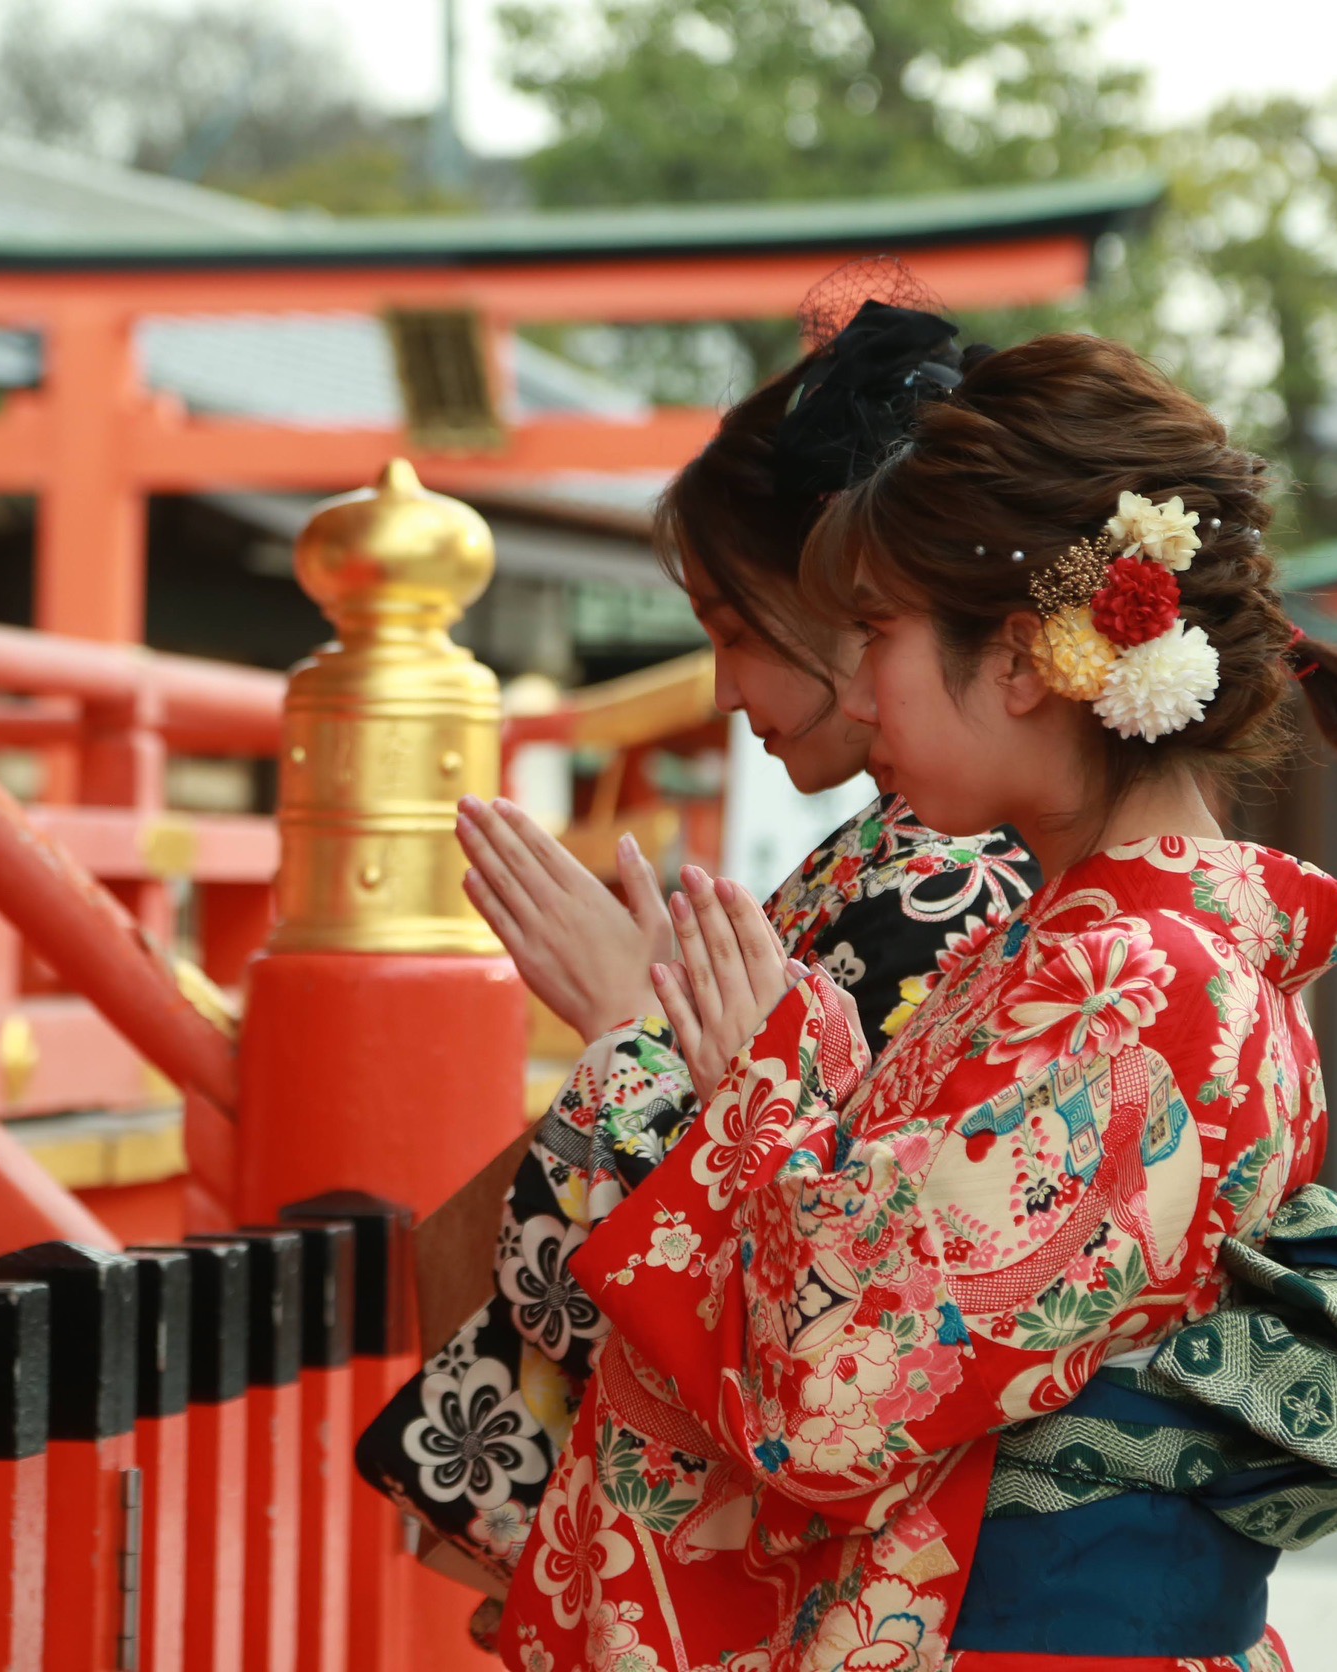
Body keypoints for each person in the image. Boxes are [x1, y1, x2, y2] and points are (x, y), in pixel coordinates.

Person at [496, 328, 1337, 1672]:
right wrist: (778, 1078)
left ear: (1028, 660)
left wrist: (729, 1090)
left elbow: (835, 1395)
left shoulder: (1138, 984)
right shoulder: (1121, 953)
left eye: (878, 634)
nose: (857, 687)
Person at [353, 300, 1041, 1596]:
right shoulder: (908, 859)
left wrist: (637, 1036)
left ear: (862, 601)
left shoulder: (975, 888)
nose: (722, 688)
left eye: (737, 633)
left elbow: (833, 1284)